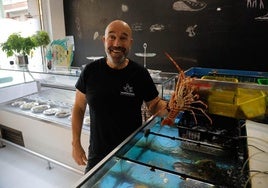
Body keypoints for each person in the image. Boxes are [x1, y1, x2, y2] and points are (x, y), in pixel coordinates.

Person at [71, 19, 168, 173]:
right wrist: (75, 143)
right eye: (112, 37)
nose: (117, 43)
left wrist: (168, 107)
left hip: (132, 151)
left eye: (123, 38)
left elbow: (154, 105)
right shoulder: (90, 71)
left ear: (130, 42)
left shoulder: (140, 73)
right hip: (98, 154)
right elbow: (78, 107)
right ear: (104, 40)